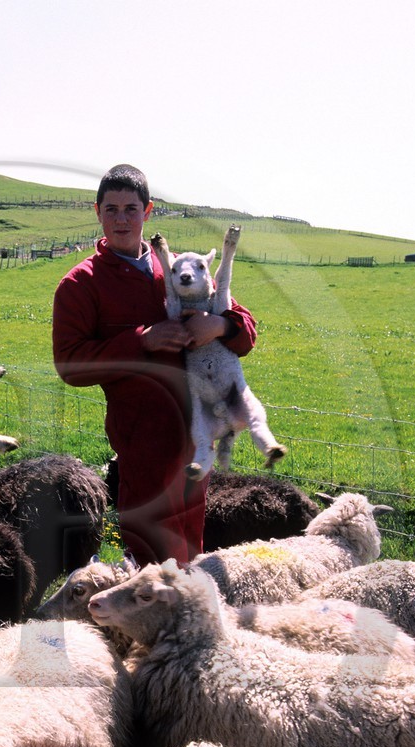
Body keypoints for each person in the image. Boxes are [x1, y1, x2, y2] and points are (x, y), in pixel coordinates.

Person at [53, 164, 258, 565]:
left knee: (191, 556)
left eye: (131, 209)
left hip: (196, 437)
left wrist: (219, 325)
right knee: (152, 566)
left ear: (148, 211)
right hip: (143, 444)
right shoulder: (81, 284)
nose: (121, 220)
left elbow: (246, 330)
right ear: (97, 212)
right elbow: (70, 364)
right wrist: (141, 341)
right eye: (111, 209)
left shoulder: (181, 269)